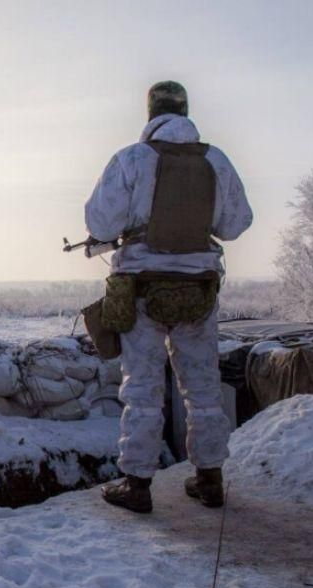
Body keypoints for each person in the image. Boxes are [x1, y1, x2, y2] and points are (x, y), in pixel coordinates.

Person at [84, 81, 253, 513]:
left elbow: (100, 222)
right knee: (203, 388)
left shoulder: (132, 159)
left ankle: (137, 485)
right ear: (185, 112)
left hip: (142, 288)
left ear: (151, 114)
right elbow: (235, 223)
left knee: (141, 388)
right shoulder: (216, 160)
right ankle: (210, 479)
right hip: (199, 290)